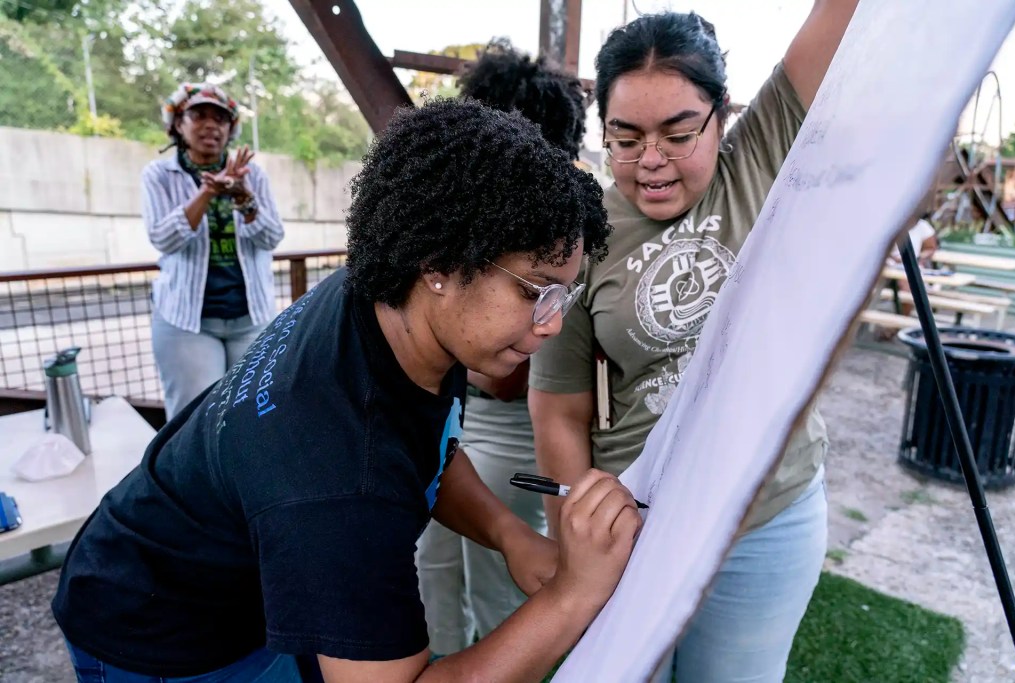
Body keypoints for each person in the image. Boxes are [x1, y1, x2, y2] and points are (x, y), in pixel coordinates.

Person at [52, 99, 641, 683]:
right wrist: (571, 597)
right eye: (535, 290)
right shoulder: (341, 479)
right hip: (156, 631)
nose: (552, 323)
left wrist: (511, 535)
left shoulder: (391, 303)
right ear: (438, 263)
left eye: (564, 294)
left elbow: (424, 446)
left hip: (245, 573)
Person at [529, 5, 858, 682]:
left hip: (769, 515)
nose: (651, 160)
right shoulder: (580, 231)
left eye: (679, 133)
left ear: (722, 116)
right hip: (640, 529)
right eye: (625, 137)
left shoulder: (762, 152)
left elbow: (840, 16)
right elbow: (558, 410)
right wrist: (575, 549)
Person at [415, 39, 588, 655]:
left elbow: (512, 369)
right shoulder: (472, 220)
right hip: (457, 422)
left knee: (495, 580)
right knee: (431, 564)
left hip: (512, 432)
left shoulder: (562, 231)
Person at [145, 82, 285, 419]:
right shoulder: (159, 175)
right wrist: (206, 193)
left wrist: (242, 196)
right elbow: (163, 238)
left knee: (250, 413)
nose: (211, 125)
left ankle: (239, 473)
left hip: (250, 318)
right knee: (194, 417)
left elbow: (272, 237)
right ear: (179, 125)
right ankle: (193, 475)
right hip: (187, 322)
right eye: (199, 115)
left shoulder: (253, 176)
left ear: (230, 129)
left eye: (220, 119)